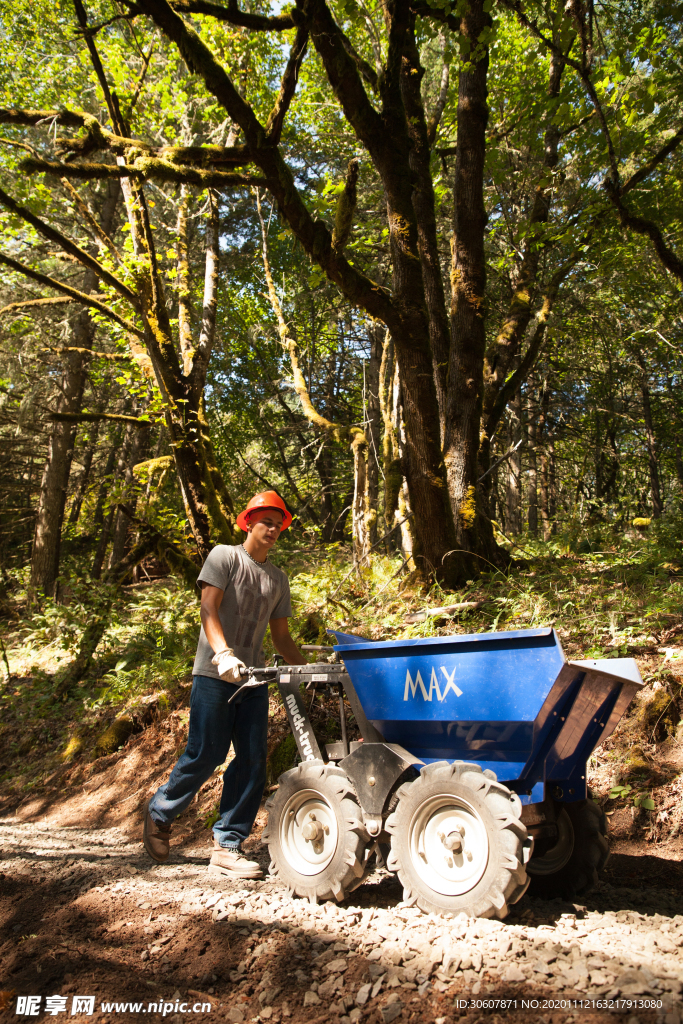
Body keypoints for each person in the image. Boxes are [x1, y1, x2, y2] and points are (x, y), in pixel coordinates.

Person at [143, 491, 307, 878]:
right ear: (248, 521)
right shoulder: (224, 556)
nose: (272, 528)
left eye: (278, 523)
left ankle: (227, 844)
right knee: (206, 753)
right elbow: (208, 607)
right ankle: (160, 812)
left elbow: (282, 639)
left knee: (252, 761)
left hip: (253, 679)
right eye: (265, 520)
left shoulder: (279, 578)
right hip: (215, 673)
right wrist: (222, 654)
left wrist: (309, 670)